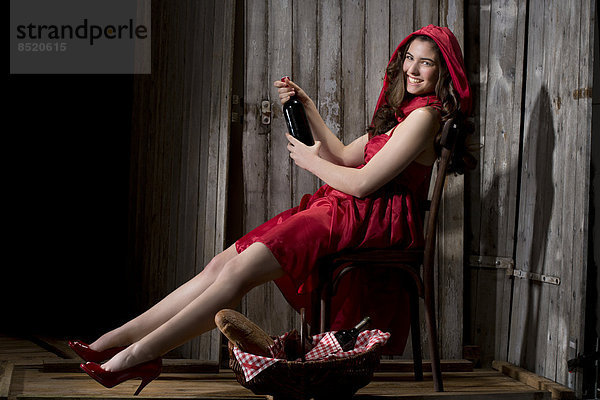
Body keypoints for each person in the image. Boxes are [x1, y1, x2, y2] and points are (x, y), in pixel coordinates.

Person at [71, 24, 472, 395]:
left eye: (427, 62)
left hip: (369, 219)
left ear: (443, 72)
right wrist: (308, 106)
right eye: (410, 58)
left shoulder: (425, 117)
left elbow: (364, 182)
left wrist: (309, 162)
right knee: (220, 265)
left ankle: (136, 357)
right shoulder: (399, 113)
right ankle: (115, 340)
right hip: (342, 208)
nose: (414, 69)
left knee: (239, 271)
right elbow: (349, 158)